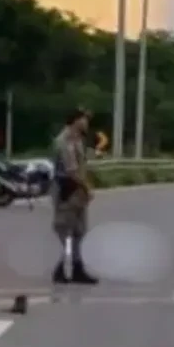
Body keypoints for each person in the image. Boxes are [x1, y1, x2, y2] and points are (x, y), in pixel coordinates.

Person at [51, 108, 99, 284]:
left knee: (79, 231)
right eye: (84, 119)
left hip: (77, 192)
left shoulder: (78, 140)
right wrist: (87, 188)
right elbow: (71, 170)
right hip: (67, 191)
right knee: (66, 231)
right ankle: (60, 269)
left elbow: (81, 167)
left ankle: (77, 268)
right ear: (76, 120)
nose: (87, 122)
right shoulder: (65, 141)